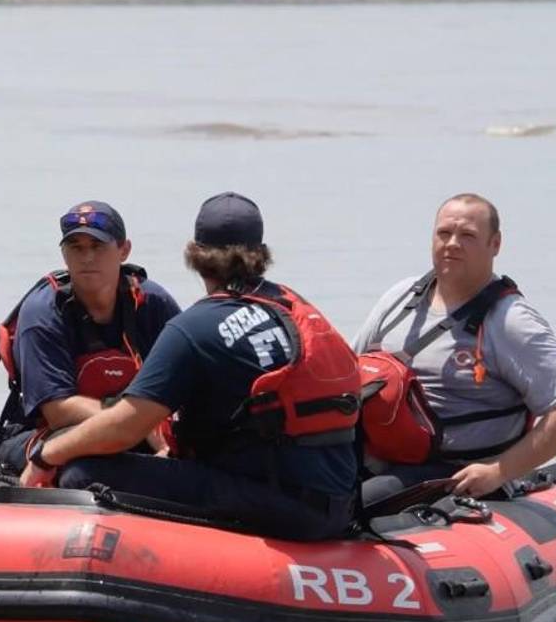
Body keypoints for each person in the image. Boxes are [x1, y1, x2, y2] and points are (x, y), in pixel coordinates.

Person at [19, 192, 361, 542]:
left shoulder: (195, 326)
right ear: (261, 253)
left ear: (195, 256)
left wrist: (47, 456)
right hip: (337, 502)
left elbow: (124, 428)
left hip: (279, 507)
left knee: (80, 472)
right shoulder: (292, 304)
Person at [354, 193, 556, 503]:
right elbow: (347, 371)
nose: (452, 243)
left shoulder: (511, 321)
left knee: (357, 502)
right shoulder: (399, 298)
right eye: (444, 233)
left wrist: (497, 471)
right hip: (378, 455)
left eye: (467, 235)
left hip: (452, 474)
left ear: (495, 244)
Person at [0, 200, 181, 473]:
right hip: (50, 432)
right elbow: (59, 411)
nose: (87, 257)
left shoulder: (152, 303)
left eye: (98, 246)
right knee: (82, 467)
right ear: (64, 254)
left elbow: (186, 384)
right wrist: (138, 422)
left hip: (137, 427)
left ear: (124, 250)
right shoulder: (43, 314)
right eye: (76, 248)